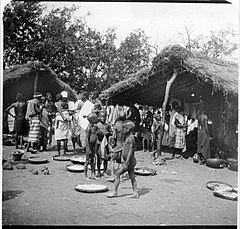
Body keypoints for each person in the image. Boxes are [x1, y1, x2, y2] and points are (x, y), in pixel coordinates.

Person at [107, 120, 139, 199]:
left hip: (129, 162)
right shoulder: (128, 138)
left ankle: (114, 192)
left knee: (117, 174)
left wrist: (126, 162)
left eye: (124, 128)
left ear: (128, 129)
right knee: (132, 177)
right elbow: (123, 148)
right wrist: (114, 151)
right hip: (131, 162)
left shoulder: (131, 139)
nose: (122, 130)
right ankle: (135, 192)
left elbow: (130, 152)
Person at [107, 111, 127, 182]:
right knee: (122, 161)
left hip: (118, 145)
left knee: (112, 160)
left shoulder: (117, 124)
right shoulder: (126, 125)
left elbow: (113, 136)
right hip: (124, 145)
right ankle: (121, 176)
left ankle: (112, 175)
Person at [95, 110, 111, 178]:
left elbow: (110, 132)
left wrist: (108, 133)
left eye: (104, 117)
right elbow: (95, 133)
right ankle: (98, 171)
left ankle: (104, 171)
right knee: (98, 158)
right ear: (99, 117)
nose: (103, 118)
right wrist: (99, 133)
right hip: (99, 142)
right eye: (101, 117)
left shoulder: (107, 125)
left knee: (105, 158)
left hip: (105, 143)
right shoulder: (97, 125)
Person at [84, 113, 99, 180]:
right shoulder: (89, 128)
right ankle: (85, 175)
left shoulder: (94, 127)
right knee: (87, 160)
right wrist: (88, 148)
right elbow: (87, 138)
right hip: (89, 146)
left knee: (93, 160)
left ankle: (93, 174)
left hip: (93, 145)